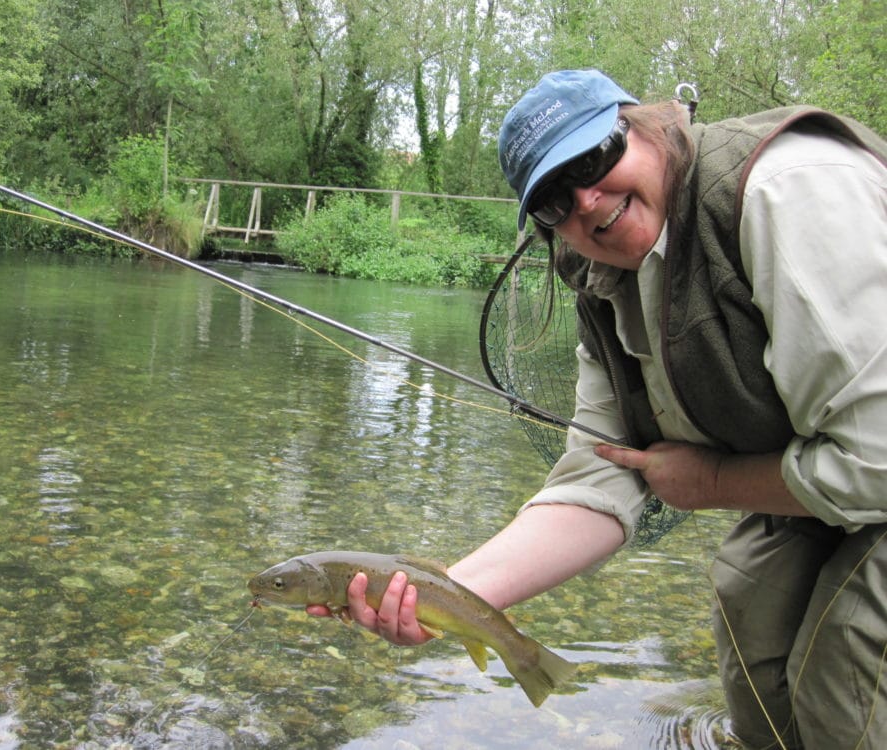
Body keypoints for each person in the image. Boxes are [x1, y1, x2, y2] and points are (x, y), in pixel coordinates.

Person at [309, 69, 887, 749]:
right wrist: (440, 595)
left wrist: (710, 484)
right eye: (554, 200)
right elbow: (598, 482)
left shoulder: (786, 191)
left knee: (844, 668)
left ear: (648, 128)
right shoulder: (606, 286)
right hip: (830, 466)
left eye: (594, 158)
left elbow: (875, 460)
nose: (586, 199)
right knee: (749, 605)